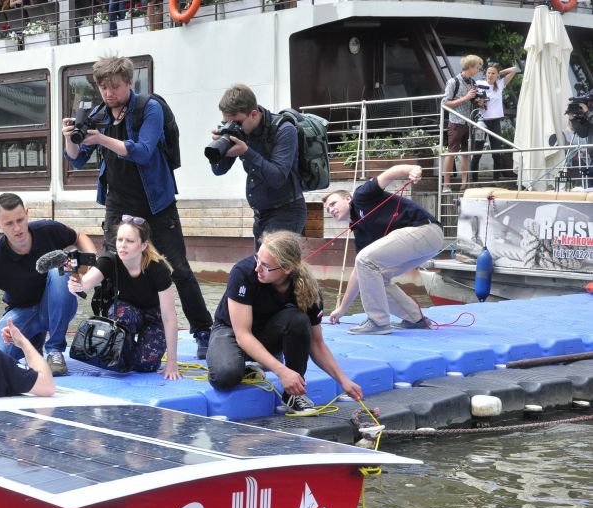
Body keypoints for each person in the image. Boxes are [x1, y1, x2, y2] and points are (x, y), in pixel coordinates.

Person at [62, 55, 214, 359]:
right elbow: (77, 159)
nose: (108, 94)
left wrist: (102, 138)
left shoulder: (149, 109)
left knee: (179, 270)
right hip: (118, 204)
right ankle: (111, 330)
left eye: (115, 87)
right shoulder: (99, 114)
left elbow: (143, 152)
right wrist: (70, 139)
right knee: (110, 266)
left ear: (130, 83)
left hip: (156, 203)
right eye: (103, 87)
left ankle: (203, 331)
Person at [206, 230, 363, 413]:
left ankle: (293, 395)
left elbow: (317, 343)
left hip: (269, 334)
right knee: (225, 377)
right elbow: (243, 335)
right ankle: (246, 365)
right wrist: (281, 371)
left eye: (265, 266)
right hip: (232, 331)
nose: (257, 268)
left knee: (298, 320)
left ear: (287, 268)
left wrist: (343, 380)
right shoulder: (243, 273)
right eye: (258, 260)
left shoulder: (309, 290)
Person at [0, 193, 97, 376]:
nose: (17, 228)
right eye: (9, 224)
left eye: (20, 220)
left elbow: (78, 237)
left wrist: (92, 263)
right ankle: (33, 344)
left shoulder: (48, 230)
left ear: (27, 214)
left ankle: (54, 350)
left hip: (55, 306)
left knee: (61, 269)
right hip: (21, 314)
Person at [323, 164, 445, 335]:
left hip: (425, 230)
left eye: (333, 203)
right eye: (328, 209)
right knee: (375, 274)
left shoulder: (361, 196)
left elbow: (389, 174)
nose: (331, 209)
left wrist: (412, 169)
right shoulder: (359, 229)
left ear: (347, 199)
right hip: (425, 243)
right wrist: (342, 308)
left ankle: (378, 321)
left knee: (365, 260)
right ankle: (415, 319)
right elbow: (360, 272)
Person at [67, 215, 180, 379]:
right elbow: (85, 284)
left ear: (143, 245)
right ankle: (126, 349)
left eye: (130, 241)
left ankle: (137, 349)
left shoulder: (158, 269)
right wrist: (75, 284)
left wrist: (172, 362)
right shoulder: (109, 260)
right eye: (120, 240)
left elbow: (169, 317)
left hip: (155, 316)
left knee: (145, 366)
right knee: (119, 313)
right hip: (127, 312)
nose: (123, 245)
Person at [210, 83, 307, 251]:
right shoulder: (241, 130)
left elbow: (277, 177)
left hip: (286, 212)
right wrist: (221, 145)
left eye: (237, 122)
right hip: (260, 214)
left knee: (274, 272)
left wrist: (247, 152)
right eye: (227, 122)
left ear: (253, 114)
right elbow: (219, 170)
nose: (233, 126)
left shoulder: (284, 129)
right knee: (263, 271)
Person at [469, 63, 519, 183]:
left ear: (496, 75)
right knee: (477, 152)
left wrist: (499, 73)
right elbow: (472, 99)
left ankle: (495, 180)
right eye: (488, 73)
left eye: (493, 73)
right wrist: (478, 102)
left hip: (495, 121)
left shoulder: (500, 84)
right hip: (481, 120)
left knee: (496, 152)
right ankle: (473, 180)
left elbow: (514, 69)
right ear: (485, 73)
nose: (490, 75)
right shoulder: (479, 83)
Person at [442, 55, 483, 194]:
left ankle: (464, 184)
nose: (478, 70)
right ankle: (446, 184)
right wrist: (466, 97)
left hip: (469, 122)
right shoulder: (453, 82)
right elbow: (445, 103)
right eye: (477, 67)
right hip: (456, 122)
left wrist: (480, 102)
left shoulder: (473, 82)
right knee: (451, 152)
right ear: (470, 67)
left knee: (466, 154)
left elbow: (472, 100)